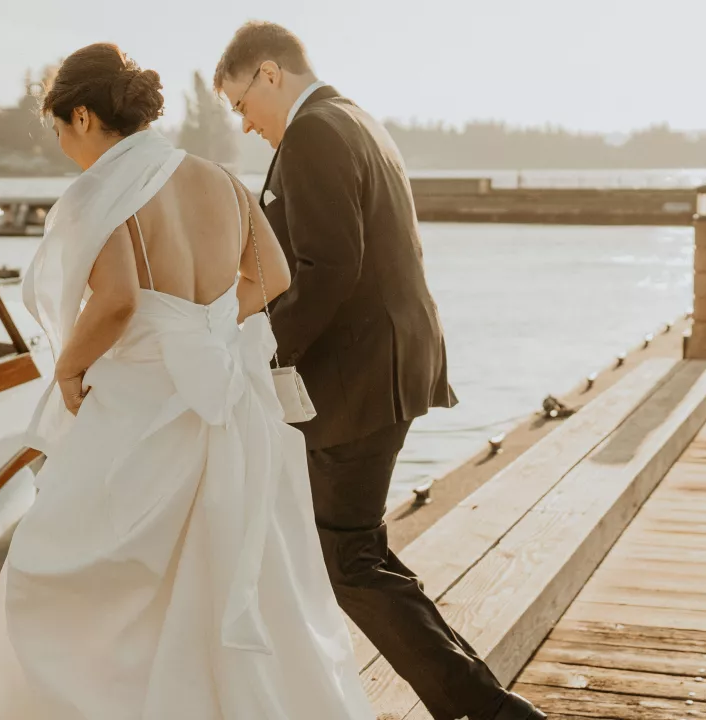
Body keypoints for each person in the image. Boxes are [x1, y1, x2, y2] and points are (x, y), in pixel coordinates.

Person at [0, 43, 374, 720]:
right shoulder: (218, 178)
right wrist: (202, 326)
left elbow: (117, 300)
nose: (66, 148)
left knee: (66, 583)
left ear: (85, 116)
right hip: (220, 405)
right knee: (225, 581)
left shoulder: (111, 189)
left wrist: (68, 365)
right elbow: (274, 276)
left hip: (140, 411)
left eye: (62, 131)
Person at [213, 21, 544, 720]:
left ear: (269, 75)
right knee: (356, 552)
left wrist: (263, 350)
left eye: (241, 104)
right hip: (384, 369)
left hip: (359, 380)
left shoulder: (316, 134)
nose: (244, 125)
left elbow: (329, 267)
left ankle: (489, 712)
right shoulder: (355, 120)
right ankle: (483, 705)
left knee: (348, 562)